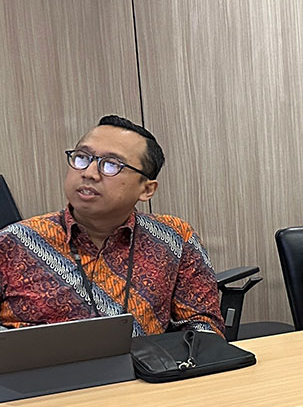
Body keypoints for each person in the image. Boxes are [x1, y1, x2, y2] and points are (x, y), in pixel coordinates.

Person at [0, 115, 224, 336]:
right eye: (82, 158)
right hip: (33, 360)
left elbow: (203, 324)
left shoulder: (173, 238)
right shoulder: (14, 243)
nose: (89, 173)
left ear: (147, 189)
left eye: (111, 165)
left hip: (143, 360)